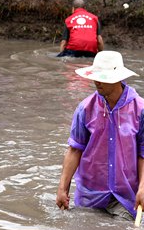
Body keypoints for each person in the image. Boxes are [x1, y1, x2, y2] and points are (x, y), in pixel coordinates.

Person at [56, 51, 144, 221]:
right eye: (95, 76)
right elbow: (75, 150)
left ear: (117, 78)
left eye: (102, 78)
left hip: (125, 197)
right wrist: (62, 188)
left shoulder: (140, 110)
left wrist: (143, 187)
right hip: (90, 195)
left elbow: (143, 153)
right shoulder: (85, 108)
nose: (96, 81)